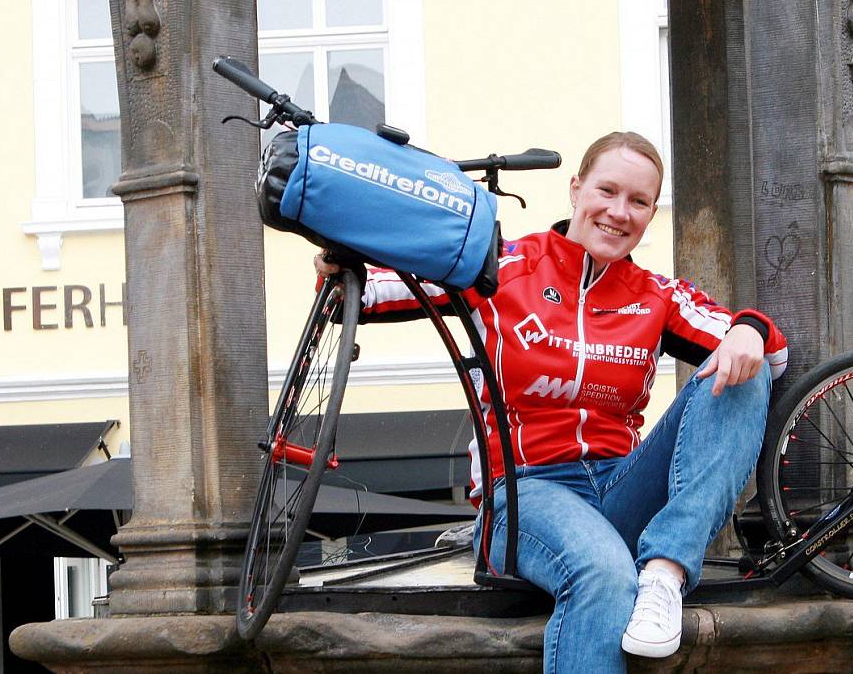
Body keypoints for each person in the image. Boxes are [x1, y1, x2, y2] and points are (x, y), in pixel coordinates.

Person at [315, 132, 787, 672]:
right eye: (606, 191)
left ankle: (665, 572)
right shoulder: (502, 265)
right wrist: (340, 266)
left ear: (652, 214)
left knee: (741, 371)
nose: (618, 212)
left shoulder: (657, 295)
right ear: (576, 189)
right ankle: (636, 574)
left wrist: (749, 329)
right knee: (604, 575)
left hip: (619, 485)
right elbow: (372, 291)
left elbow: (771, 352)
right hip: (526, 493)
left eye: (638, 202)